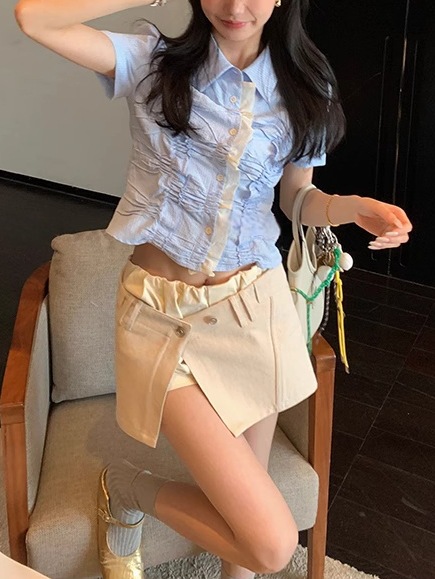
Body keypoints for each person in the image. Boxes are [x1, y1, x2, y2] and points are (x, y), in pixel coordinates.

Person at [15, 0, 412, 577]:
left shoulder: (306, 84)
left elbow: (297, 197)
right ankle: (127, 488)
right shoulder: (154, 62)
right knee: (271, 545)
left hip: (253, 307)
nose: (234, 6)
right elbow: (33, 19)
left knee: (243, 550)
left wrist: (353, 208)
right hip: (161, 319)